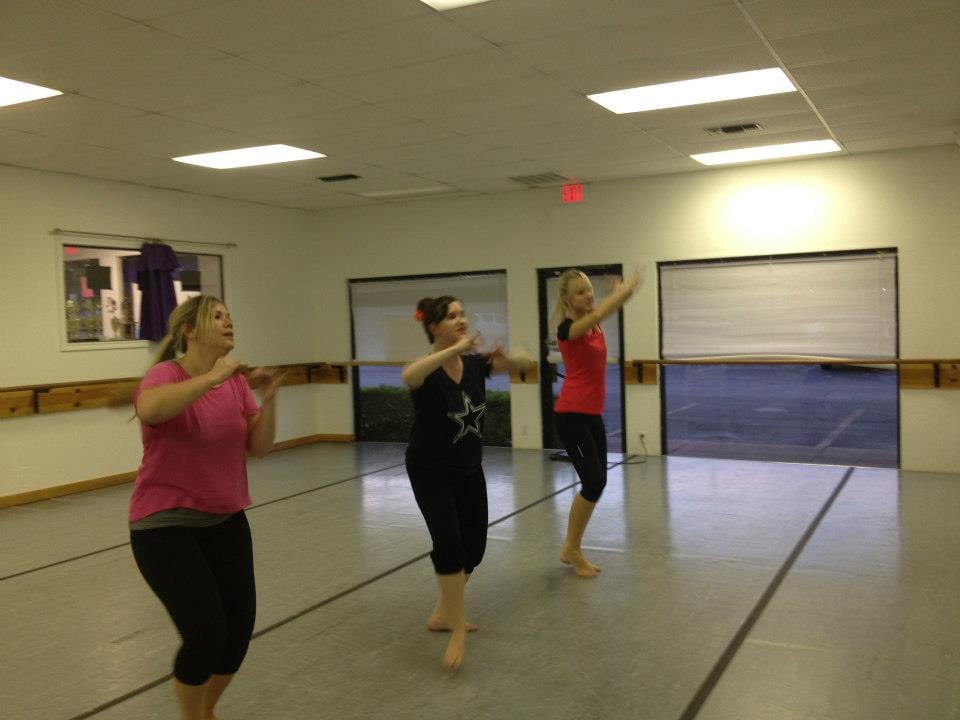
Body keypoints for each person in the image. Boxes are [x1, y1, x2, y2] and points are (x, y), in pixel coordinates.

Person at [128, 295, 285, 720]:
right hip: (165, 527)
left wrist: (269, 399)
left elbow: (259, 447)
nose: (228, 322)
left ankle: (204, 711)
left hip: (226, 520)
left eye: (229, 316)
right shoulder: (166, 375)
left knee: (237, 632)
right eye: (217, 317)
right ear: (189, 331)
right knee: (205, 633)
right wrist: (214, 376)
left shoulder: (234, 383)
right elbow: (149, 408)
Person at [402, 295, 530, 670]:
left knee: (473, 548)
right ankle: (456, 627)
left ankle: (443, 613)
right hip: (430, 470)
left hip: (468, 468)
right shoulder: (427, 371)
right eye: (451, 316)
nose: (461, 320)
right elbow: (409, 376)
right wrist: (453, 350)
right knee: (449, 543)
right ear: (433, 327)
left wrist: (513, 357)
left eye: (462, 314)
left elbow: (521, 363)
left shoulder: (474, 365)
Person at [553, 267, 642, 578]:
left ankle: (571, 546)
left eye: (589, 290)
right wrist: (620, 295)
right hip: (571, 415)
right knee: (592, 483)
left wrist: (621, 293)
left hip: (591, 414)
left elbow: (602, 311)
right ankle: (572, 548)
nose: (588, 296)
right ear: (567, 299)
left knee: (598, 482)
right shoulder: (568, 329)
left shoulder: (593, 325)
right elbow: (599, 312)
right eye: (580, 292)